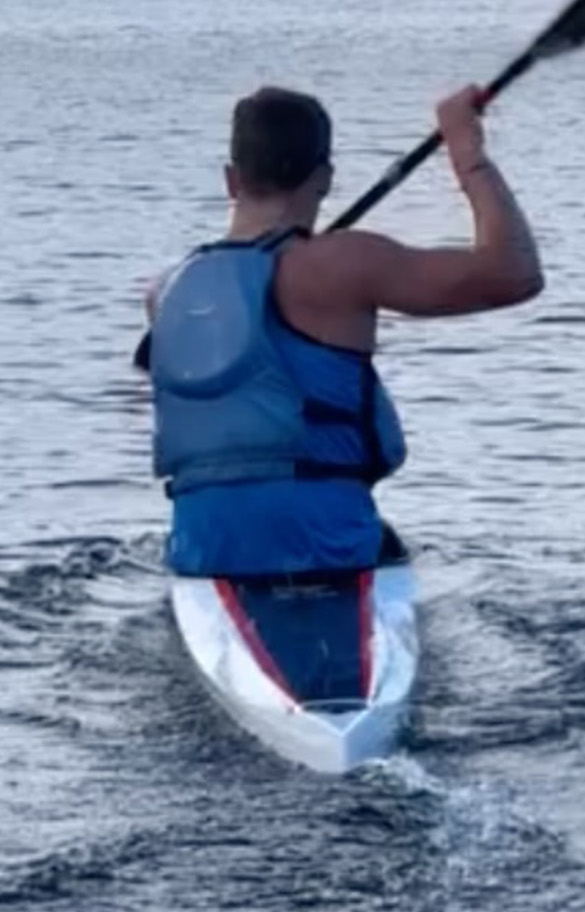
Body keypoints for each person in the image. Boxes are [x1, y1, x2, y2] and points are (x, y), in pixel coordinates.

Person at [141, 84, 543, 579]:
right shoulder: (340, 263)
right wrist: (468, 154)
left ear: (232, 179)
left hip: (201, 546)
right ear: (326, 179)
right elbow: (515, 274)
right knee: (395, 546)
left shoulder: (165, 291)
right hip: (325, 538)